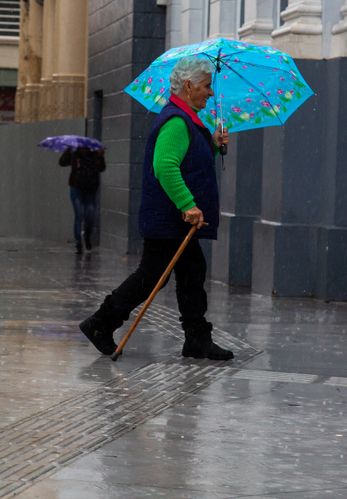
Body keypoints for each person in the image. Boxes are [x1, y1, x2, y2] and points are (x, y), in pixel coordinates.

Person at [79, 56, 233, 360]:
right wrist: (188, 205)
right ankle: (100, 324)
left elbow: (188, 160)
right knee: (152, 276)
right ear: (188, 86)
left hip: (174, 220)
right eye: (205, 86)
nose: (210, 93)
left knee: (192, 273)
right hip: (169, 218)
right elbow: (165, 166)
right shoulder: (177, 121)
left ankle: (197, 339)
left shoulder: (186, 118)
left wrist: (213, 143)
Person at [59, 145, 106, 253]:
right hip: (77, 189)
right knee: (79, 215)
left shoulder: (94, 156)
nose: (84, 151)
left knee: (90, 216)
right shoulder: (74, 155)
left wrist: (100, 156)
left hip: (90, 190)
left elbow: (101, 168)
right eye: (82, 149)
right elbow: (62, 162)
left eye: (86, 149)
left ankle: (87, 236)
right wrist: (67, 151)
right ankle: (78, 243)